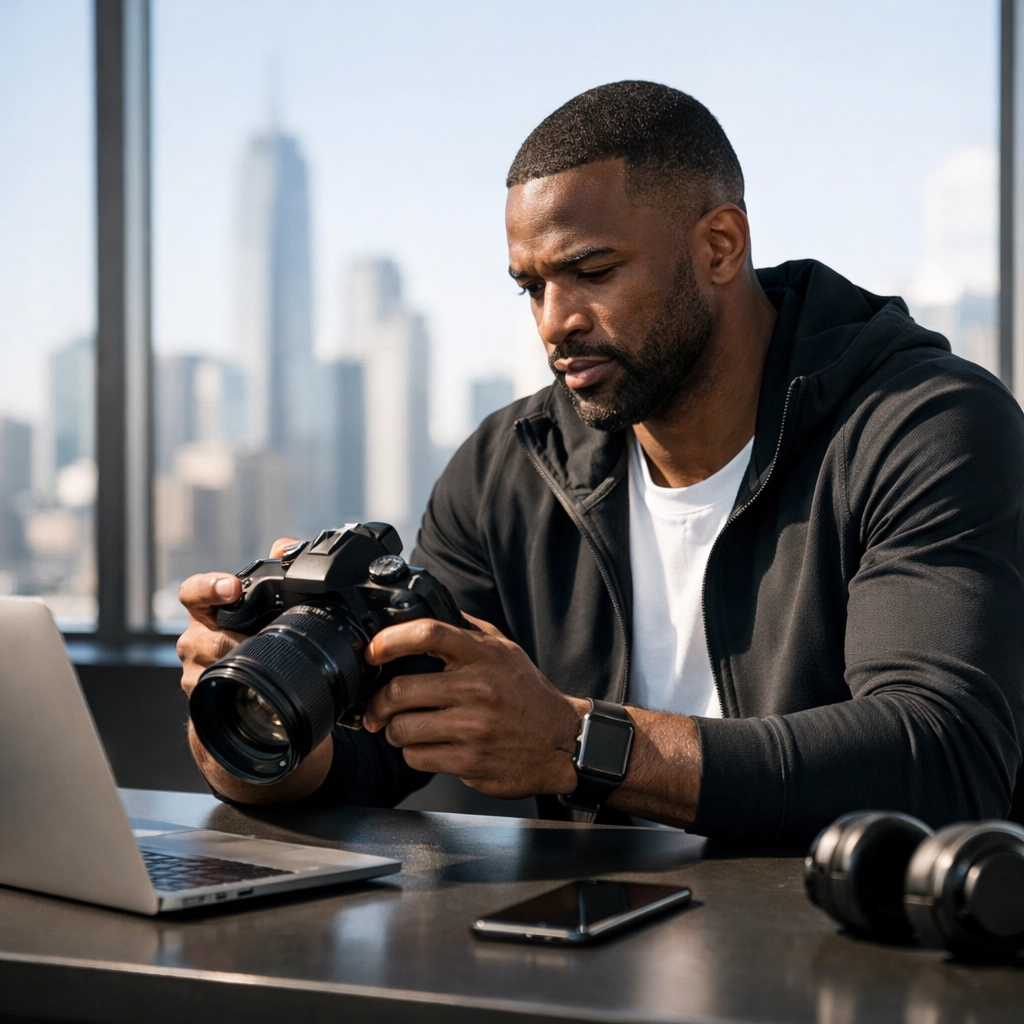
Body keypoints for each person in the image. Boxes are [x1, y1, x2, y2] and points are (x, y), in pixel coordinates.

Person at [177, 81, 1024, 844]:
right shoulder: (508, 467)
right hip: (603, 962)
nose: (554, 322)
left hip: (853, 960)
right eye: (531, 287)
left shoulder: (925, 425)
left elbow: (941, 759)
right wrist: (255, 716)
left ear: (721, 246)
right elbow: (386, 758)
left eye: (591, 271)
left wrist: (579, 743)